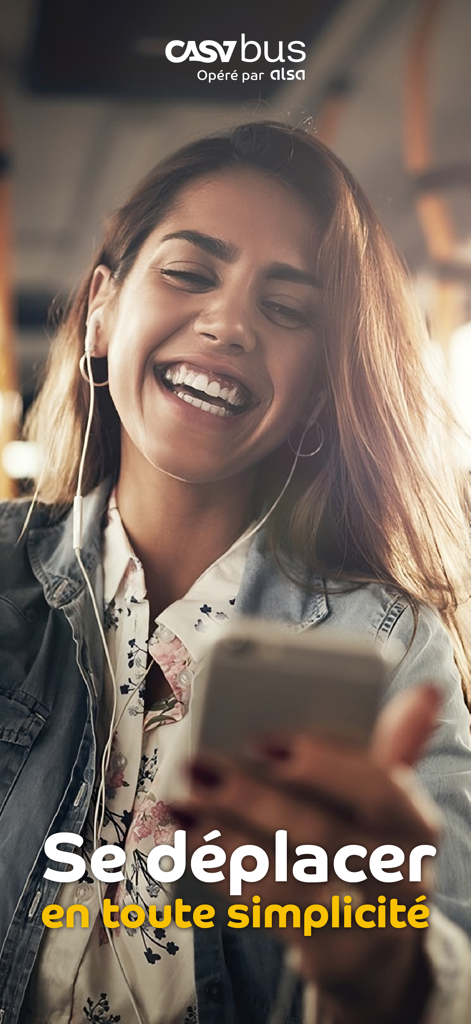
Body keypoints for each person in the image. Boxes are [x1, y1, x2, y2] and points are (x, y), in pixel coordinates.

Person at [1, 120, 470, 1024]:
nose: (227, 323)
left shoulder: (389, 648)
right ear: (103, 309)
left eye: (287, 308)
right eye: (188, 272)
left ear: (321, 388)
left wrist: (382, 970)